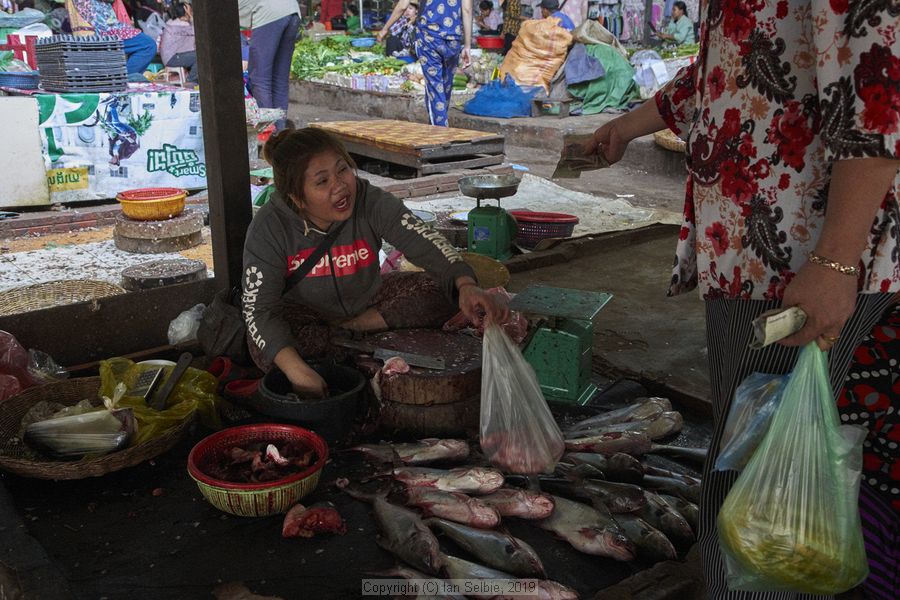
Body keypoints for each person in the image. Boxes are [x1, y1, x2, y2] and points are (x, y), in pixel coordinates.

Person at [583, 2, 899, 599]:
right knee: (749, 448)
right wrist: (625, 126)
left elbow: (879, 84)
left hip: (793, 259)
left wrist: (835, 259)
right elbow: (724, 65)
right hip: (752, 253)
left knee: (756, 478)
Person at [242, 128, 509, 397]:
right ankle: (354, 348)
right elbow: (259, 310)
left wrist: (465, 284)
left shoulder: (369, 200)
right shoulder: (269, 228)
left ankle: (357, 334)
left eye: (342, 169)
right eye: (322, 181)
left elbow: (424, 242)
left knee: (443, 289)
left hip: (368, 302)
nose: (341, 185)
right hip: (306, 316)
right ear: (298, 198)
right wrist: (296, 371)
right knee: (265, 347)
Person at [377, 0, 473, 127]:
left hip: (429, 38)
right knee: (445, 87)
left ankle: (441, 134)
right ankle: (435, 127)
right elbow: (467, 9)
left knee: (435, 89)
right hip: (453, 39)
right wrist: (467, 45)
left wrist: (385, 29)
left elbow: (402, 5)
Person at [238, 0, 301, 131]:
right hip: (292, 10)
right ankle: (280, 133)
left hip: (268, 14)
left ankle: (268, 133)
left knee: (259, 79)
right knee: (279, 79)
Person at [68, 0, 157, 76]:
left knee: (145, 44)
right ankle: (126, 79)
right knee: (148, 45)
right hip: (101, 29)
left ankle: (126, 78)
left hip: (97, 27)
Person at [159, 1, 197, 83]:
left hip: (173, 56)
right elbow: (197, 33)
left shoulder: (176, 22)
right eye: (191, 10)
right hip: (172, 58)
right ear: (186, 13)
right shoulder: (180, 25)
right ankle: (191, 81)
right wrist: (191, 17)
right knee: (200, 57)